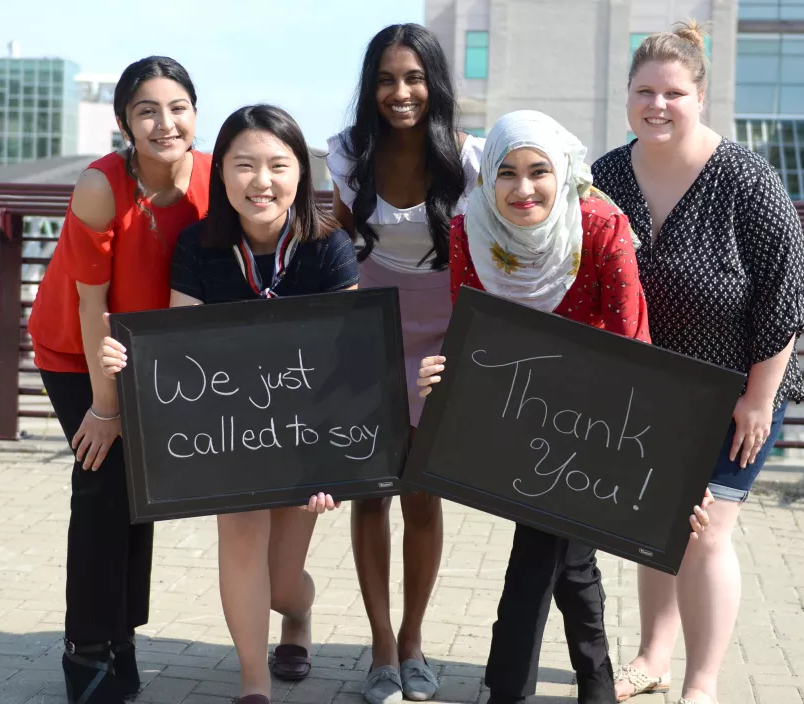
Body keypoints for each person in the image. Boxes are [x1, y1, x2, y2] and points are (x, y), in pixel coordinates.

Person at [414, 109, 713, 704]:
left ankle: (508, 688)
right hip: (519, 412)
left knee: (539, 547)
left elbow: (634, 345)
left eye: (538, 171)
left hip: (599, 419)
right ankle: (594, 686)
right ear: (488, 179)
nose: (523, 189)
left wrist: (675, 471)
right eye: (507, 173)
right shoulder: (469, 228)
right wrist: (445, 380)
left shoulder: (602, 225)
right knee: (569, 555)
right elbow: (474, 332)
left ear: (564, 171)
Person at [98, 104, 358, 704]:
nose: (260, 181)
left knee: (282, 585)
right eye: (243, 165)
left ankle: (297, 619)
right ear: (222, 178)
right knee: (241, 540)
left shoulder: (328, 247)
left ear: (301, 174)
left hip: (304, 438)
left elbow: (352, 361)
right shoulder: (199, 246)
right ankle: (253, 683)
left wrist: (336, 462)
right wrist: (129, 364)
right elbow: (180, 351)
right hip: (230, 439)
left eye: (277, 165)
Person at [591, 20, 804, 704]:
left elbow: (788, 291)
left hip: (738, 395)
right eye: (644, 91)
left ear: (700, 97)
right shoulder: (603, 178)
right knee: (654, 528)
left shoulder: (747, 179)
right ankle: (652, 657)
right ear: (627, 95)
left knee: (705, 536)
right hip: (648, 396)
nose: (657, 104)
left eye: (674, 92)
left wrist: (758, 399)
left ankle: (702, 684)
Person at [26, 56, 211, 704]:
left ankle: (122, 634)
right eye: (147, 111)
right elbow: (89, 305)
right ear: (124, 124)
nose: (166, 123)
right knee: (101, 483)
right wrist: (105, 409)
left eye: (178, 107)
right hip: (77, 349)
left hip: (152, 352)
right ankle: (85, 649)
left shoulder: (214, 177)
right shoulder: (102, 186)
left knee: (142, 490)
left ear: (196, 111)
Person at [324, 23, 485, 704]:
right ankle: (381, 649)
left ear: (435, 84)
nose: (400, 92)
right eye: (387, 79)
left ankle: (416, 642)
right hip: (367, 332)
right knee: (369, 493)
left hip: (442, 340)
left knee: (424, 495)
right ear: (371, 86)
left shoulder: (472, 159)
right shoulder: (344, 156)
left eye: (414, 77)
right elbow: (331, 252)